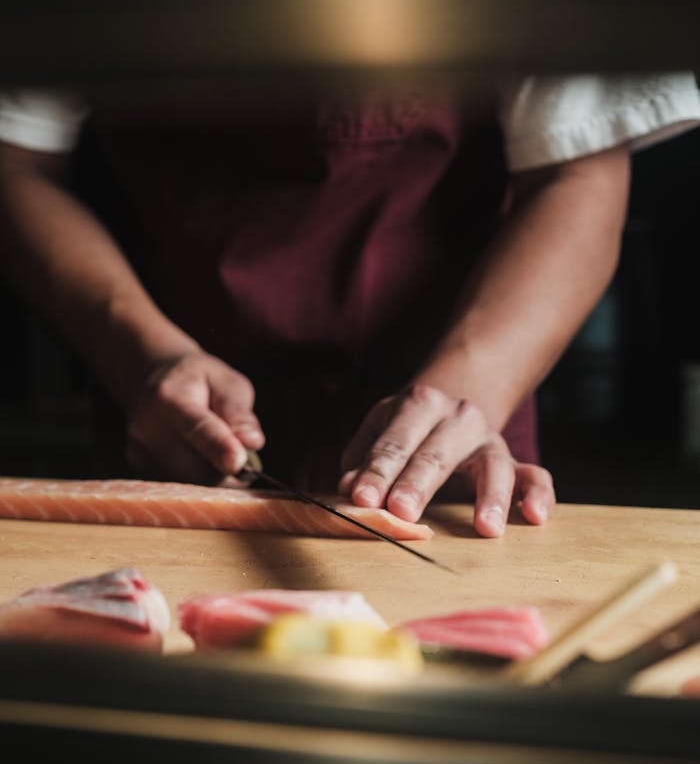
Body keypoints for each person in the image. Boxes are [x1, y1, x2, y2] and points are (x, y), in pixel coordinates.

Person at [0, 75, 698, 537]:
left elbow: (577, 172)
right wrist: (139, 353)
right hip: (164, 416)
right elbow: (17, 163)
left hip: (459, 422)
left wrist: (463, 393)